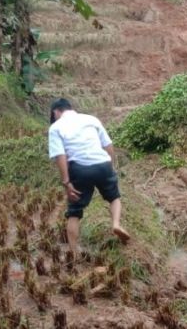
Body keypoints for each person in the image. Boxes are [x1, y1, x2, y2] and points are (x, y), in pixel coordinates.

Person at [48, 98, 130, 256]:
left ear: (56, 112)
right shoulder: (91, 119)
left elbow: (61, 156)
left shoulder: (55, 127)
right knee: (114, 197)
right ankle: (116, 224)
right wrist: (111, 167)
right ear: (70, 108)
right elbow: (108, 145)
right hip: (103, 163)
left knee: (74, 212)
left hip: (80, 168)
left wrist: (66, 182)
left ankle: (74, 253)